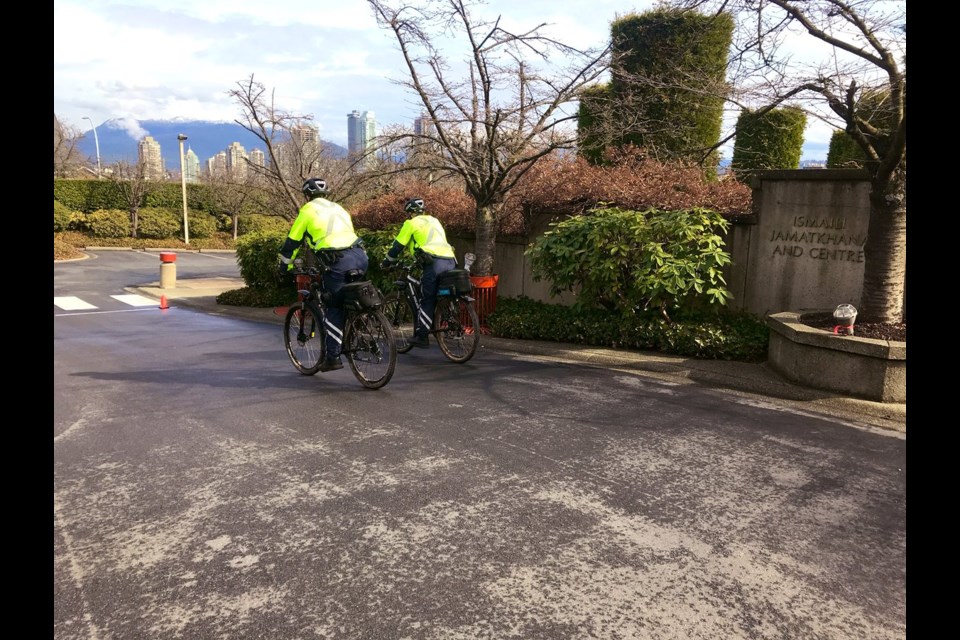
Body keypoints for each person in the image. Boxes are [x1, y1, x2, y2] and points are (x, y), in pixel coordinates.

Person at [278, 178, 369, 372]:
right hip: (360, 255)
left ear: (307, 195)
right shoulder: (339, 208)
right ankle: (359, 328)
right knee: (353, 296)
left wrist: (283, 267)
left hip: (337, 260)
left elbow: (292, 242)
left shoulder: (307, 210)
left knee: (333, 306)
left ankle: (333, 357)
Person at [380, 197, 458, 348]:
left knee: (426, 298)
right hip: (450, 260)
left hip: (434, 262)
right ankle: (441, 318)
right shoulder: (435, 221)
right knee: (441, 293)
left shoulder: (411, 223)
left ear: (410, 213)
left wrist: (386, 262)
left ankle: (422, 336)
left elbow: (398, 246)